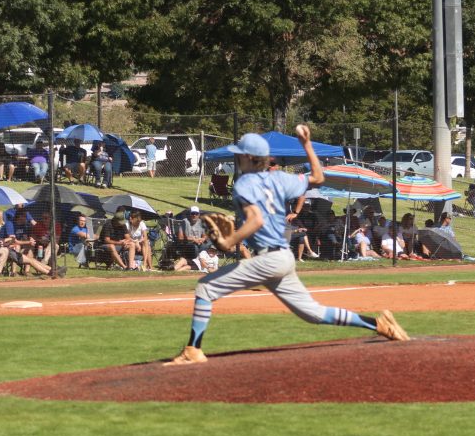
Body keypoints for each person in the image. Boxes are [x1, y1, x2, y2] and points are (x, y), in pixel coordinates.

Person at [166, 126, 409, 365]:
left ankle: (193, 350)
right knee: (313, 313)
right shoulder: (281, 179)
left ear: (250, 158)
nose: (236, 157)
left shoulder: (244, 184)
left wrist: (230, 240)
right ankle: (378, 324)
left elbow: (256, 219)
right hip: (282, 257)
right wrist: (306, 144)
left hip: (267, 260)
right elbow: (318, 177)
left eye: (240, 154)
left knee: (206, 289)